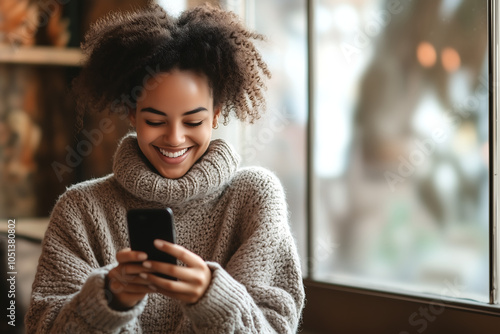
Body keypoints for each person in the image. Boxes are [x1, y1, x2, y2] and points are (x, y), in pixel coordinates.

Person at [25, 3, 305, 333]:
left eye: (194, 120)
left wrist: (213, 297)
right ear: (132, 114)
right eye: (155, 120)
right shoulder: (80, 211)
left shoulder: (254, 198)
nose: (174, 138)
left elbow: (275, 327)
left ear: (216, 115)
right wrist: (108, 302)